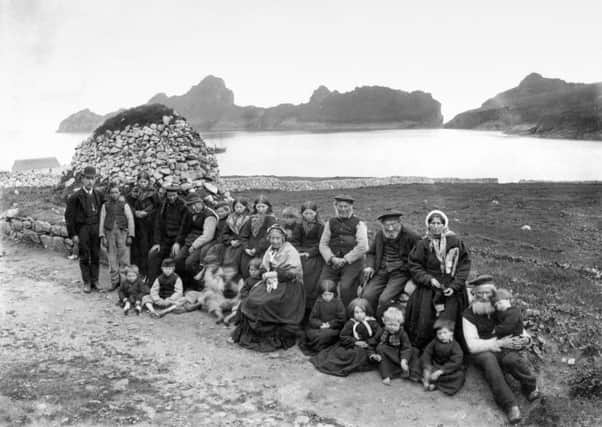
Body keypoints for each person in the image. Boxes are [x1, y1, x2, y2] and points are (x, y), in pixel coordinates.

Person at [462, 276, 540, 425]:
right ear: (474, 294)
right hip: (483, 350)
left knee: (511, 359)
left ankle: (529, 386)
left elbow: (516, 325)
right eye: (480, 293)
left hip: (504, 347)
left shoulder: (501, 308)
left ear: (494, 294)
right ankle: (510, 405)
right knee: (489, 361)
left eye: (488, 293)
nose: (484, 297)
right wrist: (496, 342)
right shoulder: (468, 315)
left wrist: (526, 340)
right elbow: (472, 345)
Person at [231, 224, 305, 352]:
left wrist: (275, 273)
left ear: (283, 238)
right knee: (251, 298)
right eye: (272, 238)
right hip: (271, 282)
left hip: (289, 285)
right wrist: (264, 273)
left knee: (265, 303)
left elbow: (294, 273)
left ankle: (269, 337)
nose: (275, 241)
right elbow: (264, 268)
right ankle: (245, 334)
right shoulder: (270, 250)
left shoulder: (290, 251)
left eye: (277, 238)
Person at [406, 209, 471, 349]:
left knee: (451, 314)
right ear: (428, 225)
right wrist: (428, 279)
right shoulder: (423, 244)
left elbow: (464, 265)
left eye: (439, 223)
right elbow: (414, 265)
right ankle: (427, 349)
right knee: (425, 315)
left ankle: (452, 349)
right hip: (430, 285)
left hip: (452, 285)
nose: (436, 226)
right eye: (433, 223)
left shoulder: (455, 241)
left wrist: (455, 286)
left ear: (444, 224)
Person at [360, 210, 420, 319]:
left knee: (384, 299)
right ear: (382, 225)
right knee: (367, 296)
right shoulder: (380, 235)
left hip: (400, 273)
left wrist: (413, 276)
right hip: (381, 271)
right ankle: (370, 320)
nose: (390, 228)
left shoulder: (411, 236)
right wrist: (370, 266)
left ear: (399, 222)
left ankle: (382, 322)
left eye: (393, 224)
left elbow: (420, 257)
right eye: (387, 225)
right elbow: (371, 253)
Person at [318, 195, 369, 307]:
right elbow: (323, 244)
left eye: (346, 206)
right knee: (324, 284)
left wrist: (345, 259)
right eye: (340, 206)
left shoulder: (359, 224)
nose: (343, 209)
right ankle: (330, 312)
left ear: (351, 207)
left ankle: (348, 314)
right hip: (333, 261)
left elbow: (363, 246)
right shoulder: (330, 223)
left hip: (352, 262)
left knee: (346, 288)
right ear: (335, 207)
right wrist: (331, 258)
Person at [310, 298, 382, 377]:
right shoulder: (350, 323)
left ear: (367, 312)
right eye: (356, 312)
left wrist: (370, 342)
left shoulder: (372, 322)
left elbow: (378, 333)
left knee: (370, 353)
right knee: (349, 354)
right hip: (354, 344)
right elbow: (343, 336)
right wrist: (355, 342)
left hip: (369, 345)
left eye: (362, 312)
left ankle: (370, 358)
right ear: (352, 313)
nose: (359, 314)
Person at [65, 166, 104, 293]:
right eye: (87, 178)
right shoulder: (75, 197)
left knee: (96, 255)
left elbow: (103, 213)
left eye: (92, 179)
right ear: (82, 179)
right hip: (83, 229)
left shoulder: (99, 194)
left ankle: (95, 280)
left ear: (95, 180)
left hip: (96, 228)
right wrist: (73, 234)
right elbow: (69, 217)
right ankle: (87, 282)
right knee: (84, 255)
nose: (90, 182)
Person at [290, 201, 325, 320]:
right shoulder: (299, 225)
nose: (308, 216)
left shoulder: (320, 226)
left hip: (315, 254)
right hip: (301, 252)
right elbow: (294, 241)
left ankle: (311, 306)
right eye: (306, 213)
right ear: (302, 214)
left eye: (311, 213)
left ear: (316, 213)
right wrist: (299, 251)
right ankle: (297, 305)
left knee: (311, 277)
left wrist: (310, 253)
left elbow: (321, 243)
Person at [147, 185, 187, 286]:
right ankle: (152, 284)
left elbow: (184, 228)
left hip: (177, 240)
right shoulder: (163, 205)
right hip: (165, 240)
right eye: (169, 195)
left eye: (174, 195)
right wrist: (157, 243)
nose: (171, 198)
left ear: (177, 194)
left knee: (174, 258)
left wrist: (178, 242)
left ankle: (172, 285)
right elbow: (158, 226)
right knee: (153, 254)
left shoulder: (183, 206)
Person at [176, 193, 218, 289]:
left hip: (203, 243)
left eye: (196, 204)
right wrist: (178, 242)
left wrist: (194, 246)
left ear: (201, 203)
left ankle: (199, 286)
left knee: (190, 263)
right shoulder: (190, 213)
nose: (194, 208)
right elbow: (184, 229)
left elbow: (208, 236)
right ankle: (185, 284)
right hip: (190, 241)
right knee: (178, 260)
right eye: (191, 206)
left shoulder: (209, 215)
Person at [99, 183, 135, 290]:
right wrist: (102, 236)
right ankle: (114, 281)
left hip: (122, 233)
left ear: (120, 193)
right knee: (112, 258)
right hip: (109, 233)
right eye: (112, 193)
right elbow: (102, 220)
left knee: (124, 258)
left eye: (116, 192)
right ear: (109, 194)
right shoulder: (105, 205)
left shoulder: (124, 205)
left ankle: (124, 283)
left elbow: (130, 220)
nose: (114, 194)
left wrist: (130, 235)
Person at [374, 306, 419, 385]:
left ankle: (413, 373)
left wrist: (404, 360)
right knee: (380, 348)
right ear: (384, 322)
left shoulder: (402, 333)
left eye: (395, 325)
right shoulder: (382, 331)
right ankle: (387, 375)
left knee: (414, 351)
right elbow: (373, 342)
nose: (392, 327)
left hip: (400, 354)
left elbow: (406, 347)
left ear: (400, 323)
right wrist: (372, 353)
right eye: (389, 324)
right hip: (388, 355)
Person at [127, 171, 159, 279]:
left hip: (148, 224)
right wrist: (135, 212)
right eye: (141, 181)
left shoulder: (153, 193)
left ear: (148, 182)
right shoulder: (133, 193)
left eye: (145, 181)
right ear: (137, 182)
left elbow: (157, 208)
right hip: (136, 224)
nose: (143, 184)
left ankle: (146, 272)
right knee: (136, 248)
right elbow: (128, 206)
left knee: (145, 248)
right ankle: (135, 272)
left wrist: (146, 212)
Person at [420, 319, 465, 395]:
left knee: (459, 376)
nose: (442, 336)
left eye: (445, 332)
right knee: (421, 366)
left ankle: (435, 385)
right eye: (439, 333)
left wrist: (441, 371)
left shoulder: (455, 346)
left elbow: (456, 361)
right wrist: (427, 366)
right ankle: (427, 380)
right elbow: (427, 353)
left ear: (451, 333)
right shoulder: (434, 342)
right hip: (435, 365)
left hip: (447, 369)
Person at [301, 279, 346, 355]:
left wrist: (329, 324)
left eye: (330, 294)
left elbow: (341, 319)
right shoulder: (319, 302)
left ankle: (320, 346)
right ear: (321, 294)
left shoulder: (338, 303)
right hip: (320, 327)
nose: (327, 297)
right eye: (325, 295)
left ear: (334, 294)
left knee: (324, 336)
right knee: (310, 333)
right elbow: (312, 318)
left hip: (333, 328)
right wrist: (320, 324)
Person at [239, 195, 277, 278]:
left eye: (263, 206)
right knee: (244, 266)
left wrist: (256, 249)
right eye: (258, 207)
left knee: (259, 268)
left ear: (268, 207)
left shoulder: (271, 219)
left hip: (263, 249)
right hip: (249, 248)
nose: (260, 209)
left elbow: (269, 236)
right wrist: (246, 248)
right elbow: (244, 235)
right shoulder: (251, 219)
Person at [221, 198, 251, 275]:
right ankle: (228, 278)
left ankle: (236, 278)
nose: (238, 209)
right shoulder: (230, 218)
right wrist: (231, 241)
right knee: (226, 256)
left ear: (245, 207)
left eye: (241, 207)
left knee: (236, 259)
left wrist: (241, 242)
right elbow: (224, 233)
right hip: (233, 243)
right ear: (233, 207)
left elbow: (249, 235)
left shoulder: (249, 218)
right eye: (236, 207)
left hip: (244, 244)